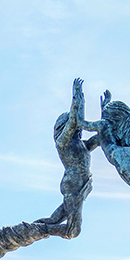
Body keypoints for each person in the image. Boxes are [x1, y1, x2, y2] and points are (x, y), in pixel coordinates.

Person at [34, 78, 99, 240]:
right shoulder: (63, 142)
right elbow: (74, 121)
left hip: (81, 186)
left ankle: (33, 229)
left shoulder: (80, 144)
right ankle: (35, 231)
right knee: (72, 231)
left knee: (54, 220)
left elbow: (99, 137)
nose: (78, 128)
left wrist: (104, 112)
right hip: (73, 185)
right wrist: (77, 98)